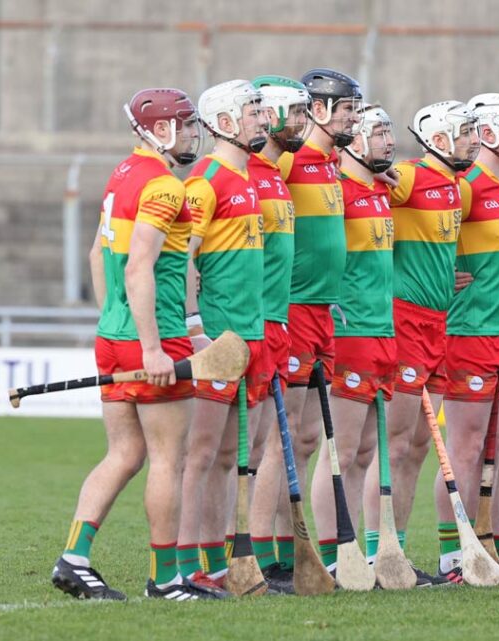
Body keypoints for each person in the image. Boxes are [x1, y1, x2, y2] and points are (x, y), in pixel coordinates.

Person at [52, 87, 219, 600]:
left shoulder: (123, 174)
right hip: (153, 337)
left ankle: (73, 558)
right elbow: (138, 265)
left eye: (193, 124)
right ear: (158, 130)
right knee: (169, 458)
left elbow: (96, 255)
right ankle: (166, 579)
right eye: (184, 124)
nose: (193, 132)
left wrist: (115, 325)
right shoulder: (165, 186)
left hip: (114, 335)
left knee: (125, 453)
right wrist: (152, 346)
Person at [248, 68, 361, 591]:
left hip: (322, 313)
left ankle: (283, 549)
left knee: (306, 436)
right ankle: (264, 555)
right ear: (316, 110)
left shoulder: (333, 162)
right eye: (345, 110)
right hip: (289, 311)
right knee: (281, 437)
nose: (353, 119)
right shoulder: (287, 160)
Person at [363, 99, 480, 587]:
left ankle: (397, 552)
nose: (474, 141)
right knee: (393, 443)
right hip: (404, 320)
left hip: (439, 322)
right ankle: (375, 552)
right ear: (439, 138)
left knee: (414, 448)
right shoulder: (407, 178)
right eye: (466, 133)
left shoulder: (460, 190)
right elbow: (368, 219)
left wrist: (437, 275)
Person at [176, 79, 271, 592]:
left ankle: (218, 561)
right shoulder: (205, 181)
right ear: (227, 122)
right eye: (254, 111)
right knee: (203, 453)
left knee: (242, 457)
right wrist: (196, 330)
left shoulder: (251, 178)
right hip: (218, 339)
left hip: (252, 337)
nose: (263, 119)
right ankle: (187, 564)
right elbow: (181, 261)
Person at [432, 92, 499, 582]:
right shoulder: (467, 186)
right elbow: (428, 232)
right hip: (470, 334)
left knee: (495, 445)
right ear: (489, 131)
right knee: (465, 449)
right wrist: (437, 270)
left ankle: (488, 546)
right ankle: (454, 556)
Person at [310, 104, 394, 576]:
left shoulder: (381, 191)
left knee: (363, 451)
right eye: (376, 132)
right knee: (338, 450)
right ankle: (331, 554)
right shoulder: (338, 190)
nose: (386, 140)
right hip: (351, 330)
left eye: (387, 131)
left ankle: (354, 548)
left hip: (382, 329)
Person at [244, 75, 310, 589]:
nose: (303, 123)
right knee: (238, 450)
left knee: (269, 441)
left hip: (281, 321)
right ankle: (247, 553)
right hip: (251, 324)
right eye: (297, 112)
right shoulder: (249, 172)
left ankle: (262, 554)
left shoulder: (276, 171)